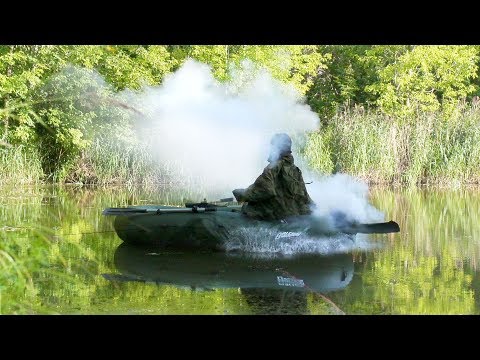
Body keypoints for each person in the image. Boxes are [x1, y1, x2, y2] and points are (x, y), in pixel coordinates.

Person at [232, 133, 314, 221]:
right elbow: (304, 196)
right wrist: (314, 209)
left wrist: (241, 194)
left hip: (277, 214)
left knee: (247, 209)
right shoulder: (295, 169)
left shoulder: (273, 167)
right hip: (291, 214)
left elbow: (264, 190)